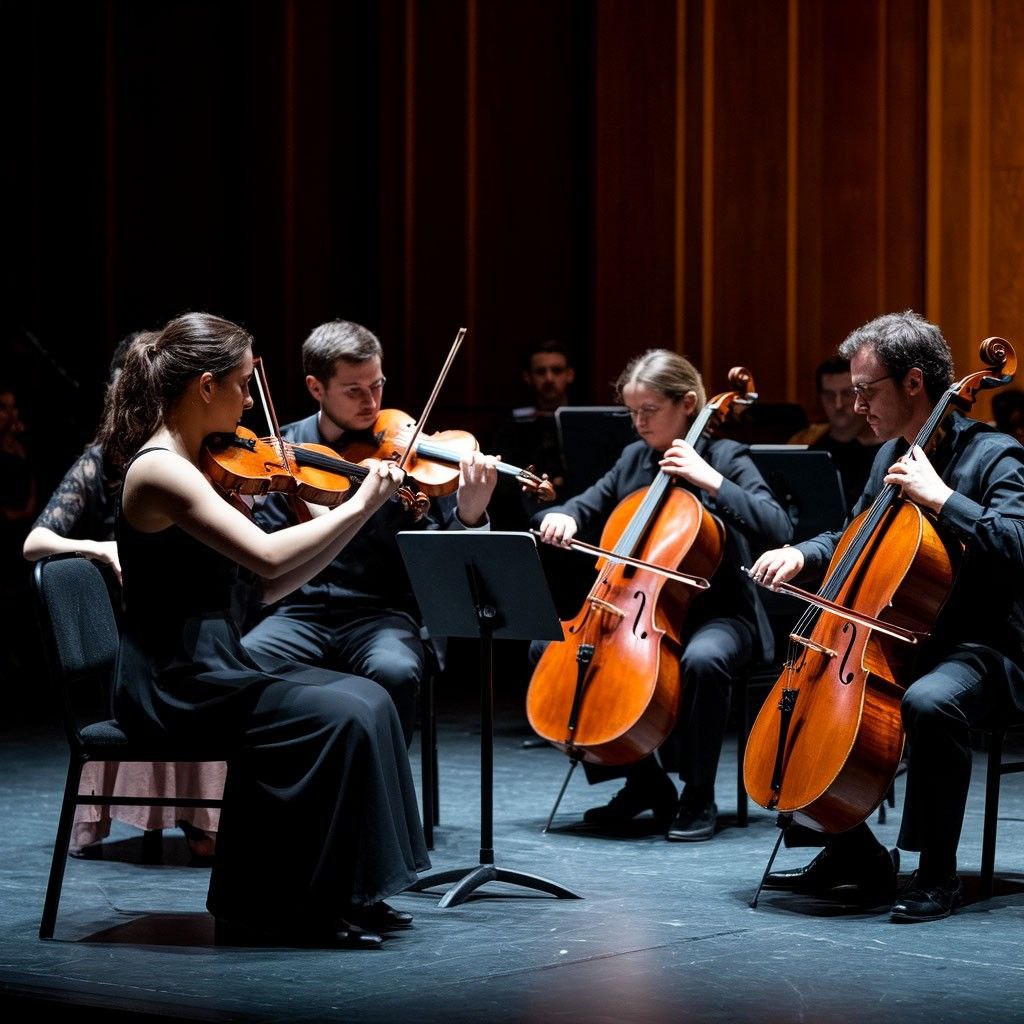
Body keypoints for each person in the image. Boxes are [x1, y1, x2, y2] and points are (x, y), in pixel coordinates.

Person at [97, 312, 429, 946]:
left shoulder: (199, 463)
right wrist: (360, 503)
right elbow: (271, 557)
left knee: (370, 698)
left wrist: (355, 517)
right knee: (339, 716)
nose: (249, 401)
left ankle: (355, 892)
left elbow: (269, 585)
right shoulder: (162, 469)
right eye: (243, 385)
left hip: (212, 662)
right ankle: (286, 908)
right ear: (206, 387)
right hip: (172, 681)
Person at [749, 310, 1024, 922]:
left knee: (929, 702)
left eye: (866, 391)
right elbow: (853, 537)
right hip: (902, 637)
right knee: (801, 697)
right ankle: (855, 854)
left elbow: (1018, 544)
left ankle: (936, 873)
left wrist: (944, 500)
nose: (856, 406)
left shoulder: (995, 456)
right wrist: (801, 553)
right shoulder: (889, 460)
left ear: (914, 383)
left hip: (987, 648)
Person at [534, 349, 792, 840]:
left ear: (688, 404)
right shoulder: (635, 459)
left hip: (720, 614)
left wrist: (710, 480)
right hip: (639, 613)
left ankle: (698, 793)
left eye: (649, 410)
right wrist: (561, 516)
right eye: (633, 412)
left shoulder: (725, 456)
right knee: (551, 650)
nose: (639, 423)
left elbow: (777, 526)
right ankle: (643, 780)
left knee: (703, 660)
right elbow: (584, 505)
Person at [243, 319, 498, 746]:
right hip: (297, 613)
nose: (371, 402)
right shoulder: (283, 453)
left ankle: (379, 784)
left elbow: (439, 562)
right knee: (247, 660)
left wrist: (469, 515)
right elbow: (264, 550)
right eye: (354, 390)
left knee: (395, 670)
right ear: (316, 387)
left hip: (379, 616)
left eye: (377, 385)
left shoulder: (405, 454)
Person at [24, 332, 225, 860]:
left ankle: (202, 815)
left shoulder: (194, 456)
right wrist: (100, 546)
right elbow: (35, 541)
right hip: (135, 631)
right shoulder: (104, 461)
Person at [789, 356, 881, 511]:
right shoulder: (805, 442)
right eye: (829, 395)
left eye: (847, 394)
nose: (838, 405)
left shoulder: (892, 447)